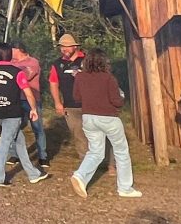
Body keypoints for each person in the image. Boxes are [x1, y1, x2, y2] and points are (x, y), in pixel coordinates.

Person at [0, 43, 47, 188]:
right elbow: (28, 93)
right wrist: (33, 109)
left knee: (20, 143)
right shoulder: (17, 72)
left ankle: (33, 174)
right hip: (12, 113)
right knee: (5, 144)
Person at [67, 51, 139, 198]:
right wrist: (122, 97)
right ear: (105, 62)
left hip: (88, 118)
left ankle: (80, 175)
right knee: (121, 152)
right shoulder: (109, 78)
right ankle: (125, 188)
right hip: (109, 118)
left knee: (95, 152)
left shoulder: (80, 77)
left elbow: (76, 97)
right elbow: (116, 101)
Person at [49, 33, 89, 164]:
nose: (64, 49)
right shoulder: (57, 64)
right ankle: (85, 164)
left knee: (98, 134)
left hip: (90, 104)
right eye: (62, 47)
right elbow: (53, 83)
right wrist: (57, 103)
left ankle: (109, 162)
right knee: (79, 135)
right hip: (70, 106)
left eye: (67, 46)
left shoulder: (87, 60)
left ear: (75, 46)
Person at [8, 39, 48, 164]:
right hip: (15, 100)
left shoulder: (33, 62)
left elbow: (25, 76)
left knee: (37, 128)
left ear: (18, 50)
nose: (10, 52)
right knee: (14, 128)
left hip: (32, 100)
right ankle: (14, 155)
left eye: (12, 50)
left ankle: (42, 156)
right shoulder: (10, 62)